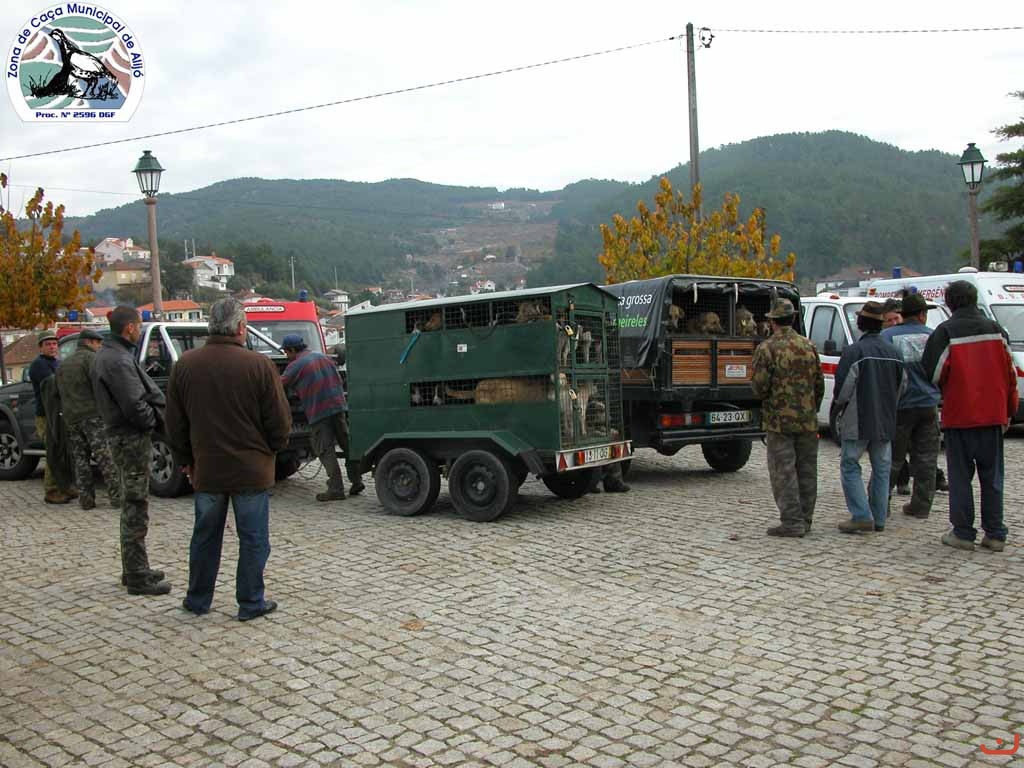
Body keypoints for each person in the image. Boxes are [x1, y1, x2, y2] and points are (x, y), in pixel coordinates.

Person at [166, 298, 292, 620]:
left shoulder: (185, 365)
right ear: (240, 328)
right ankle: (250, 602)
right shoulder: (259, 365)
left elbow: (175, 423)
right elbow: (279, 420)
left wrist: (185, 459)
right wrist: (273, 450)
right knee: (253, 539)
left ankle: (198, 599)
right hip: (251, 469)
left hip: (207, 468)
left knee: (205, 538)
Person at [921, 280, 1018, 552]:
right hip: (993, 415)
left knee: (961, 478)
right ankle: (995, 533)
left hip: (960, 416)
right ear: (974, 300)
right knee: (992, 478)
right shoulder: (997, 331)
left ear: (949, 303)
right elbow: (1010, 374)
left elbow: (933, 372)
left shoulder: (945, 332)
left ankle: (963, 532)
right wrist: (1008, 410)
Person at [93, 306, 171, 596]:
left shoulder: (112, 354)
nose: (139, 330)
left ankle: (135, 567)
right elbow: (134, 403)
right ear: (129, 327)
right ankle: (137, 575)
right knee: (135, 505)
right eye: (138, 326)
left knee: (133, 502)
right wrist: (151, 422)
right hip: (130, 437)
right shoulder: (117, 359)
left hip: (124, 435)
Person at [751, 298, 824, 538]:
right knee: (807, 470)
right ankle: (806, 519)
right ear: (792, 319)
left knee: (783, 471)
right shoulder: (809, 346)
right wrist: (811, 409)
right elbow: (819, 385)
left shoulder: (767, 348)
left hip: (779, 421)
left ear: (772, 321)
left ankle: (792, 521)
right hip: (807, 419)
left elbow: (759, 387)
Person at [833, 301, 905, 533]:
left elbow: (843, 390)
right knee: (882, 469)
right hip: (885, 419)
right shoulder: (895, 352)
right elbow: (902, 386)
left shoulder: (854, 351)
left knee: (850, 465)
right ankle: (879, 517)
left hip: (858, 419)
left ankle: (862, 515)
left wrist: (840, 405)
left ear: (861, 324)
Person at [280, 333, 365, 502]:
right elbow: (338, 379)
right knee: (346, 444)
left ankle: (335, 489)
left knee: (325, 449)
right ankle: (357, 481)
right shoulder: (323, 357)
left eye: (286, 352)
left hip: (319, 411)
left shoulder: (296, 365)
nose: (286, 356)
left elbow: (278, 385)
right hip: (338, 407)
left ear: (292, 350)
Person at [880, 293, 942, 520]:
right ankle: (921, 506)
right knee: (926, 459)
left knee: (892, 458)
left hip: (899, 406)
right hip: (928, 404)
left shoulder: (887, 336)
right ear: (923, 315)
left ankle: (880, 503)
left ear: (903, 315)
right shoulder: (933, 336)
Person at [55, 329, 121, 511]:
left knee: (80, 459)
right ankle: (117, 497)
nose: (100, 347)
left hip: (71, 417)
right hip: (92, 416)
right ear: (89, 342)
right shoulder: (92, 359)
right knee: (105, 457)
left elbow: (57, 392)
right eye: (98, 343)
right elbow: (101, 386)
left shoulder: (63, 365)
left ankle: (86, 499)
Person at [29, 330, 76, 504]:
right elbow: (54, 385)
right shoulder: (39, 365)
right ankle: (51, 490)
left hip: (60, 413)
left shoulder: (56, 363)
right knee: (53, 451)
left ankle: (65, 486)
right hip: (46, 416)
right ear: (40, 347)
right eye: (48, 344)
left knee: (65, 451)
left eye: (55, 344)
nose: (52, 347)